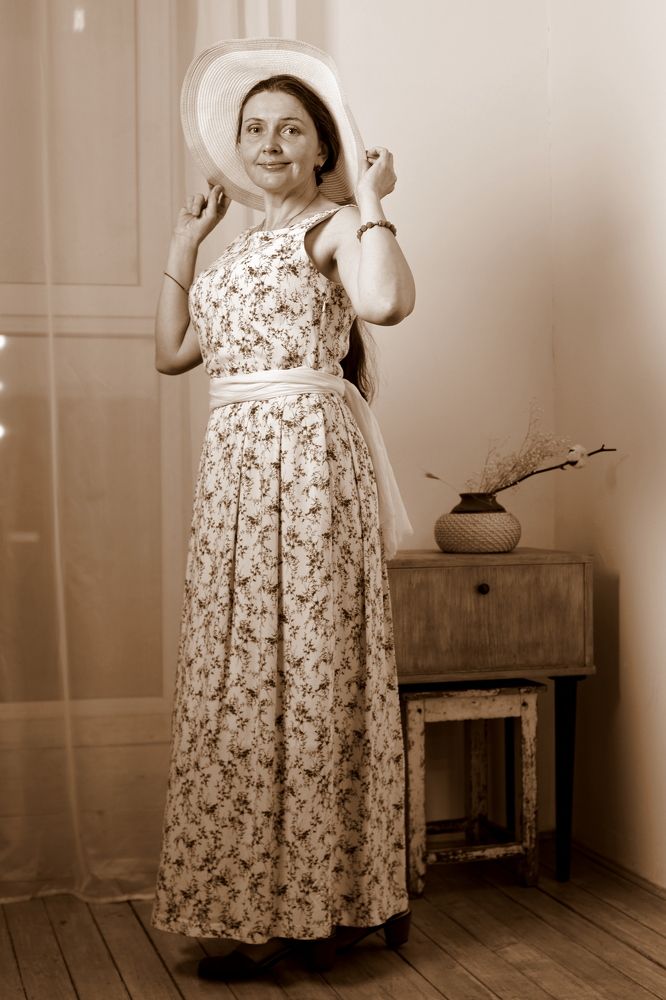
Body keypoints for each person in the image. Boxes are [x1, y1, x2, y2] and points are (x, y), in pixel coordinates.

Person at [151, 38, 416, 980]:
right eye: (255, 128)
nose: (269, 142)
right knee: (239, 680)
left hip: (305, 473)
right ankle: (256, 901)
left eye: (290, 129)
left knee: (310, 675)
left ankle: (319, 903)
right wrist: (184, 246)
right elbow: (172, 355)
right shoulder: (236, 250)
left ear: (322, 147)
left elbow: (386, 304)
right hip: (234, 479)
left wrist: (373, 201)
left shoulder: (336, 226)